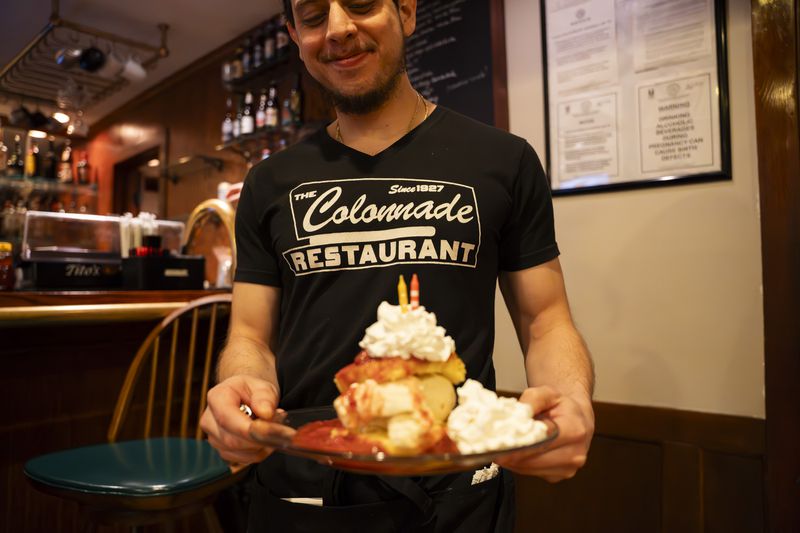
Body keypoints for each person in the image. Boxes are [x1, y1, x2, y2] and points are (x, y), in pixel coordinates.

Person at [200, 0, 595, 530]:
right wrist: (242, 390)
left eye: (361, 4)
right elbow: (250, 334)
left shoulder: (505, 160)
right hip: (305, 484)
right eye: (314, 17)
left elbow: (545, 321)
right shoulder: (269, 182)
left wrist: (570, 402)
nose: (339, 29)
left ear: (406, 12)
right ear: (295, 34)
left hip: (457, 486)